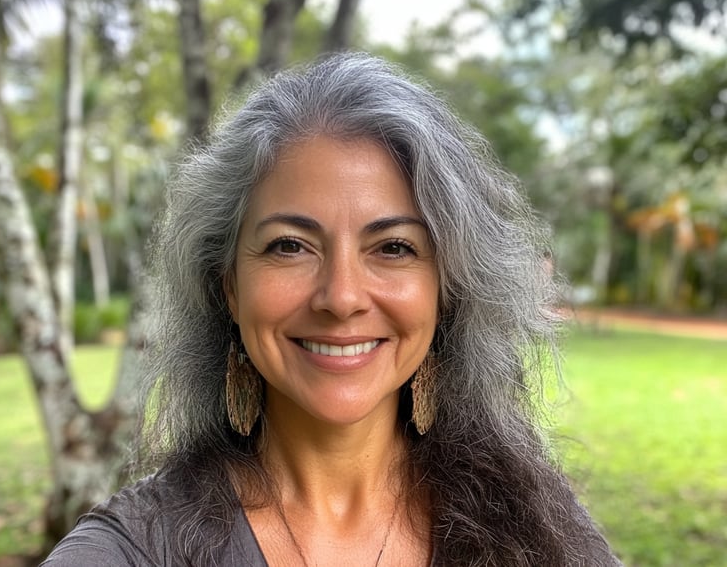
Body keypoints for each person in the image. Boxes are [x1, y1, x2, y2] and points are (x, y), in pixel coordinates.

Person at [42, 52, 621, 566]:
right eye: (289, 246)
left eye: (394, 247)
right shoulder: (137, 548)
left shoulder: (534, 525)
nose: (342, 298)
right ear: (229, 287)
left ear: (448, 288)